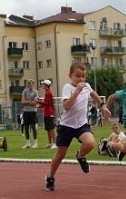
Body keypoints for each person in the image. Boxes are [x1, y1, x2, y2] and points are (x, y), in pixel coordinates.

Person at [44, 63, 103, 191]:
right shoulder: (67, 88)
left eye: (83, 76)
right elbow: (66, 106)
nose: (80, 79)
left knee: (90, 143)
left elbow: (93, 94)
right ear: (70, 76)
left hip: (81, 124)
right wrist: (76, 92)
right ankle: (50, 176)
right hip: (66, 126)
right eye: (77, 76)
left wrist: (103, 106)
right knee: (60, 155)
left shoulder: (86, 86)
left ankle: (80, 156)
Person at [21, 79, 39, 148]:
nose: (30, 85)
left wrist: (27, 102)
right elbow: (22, 102)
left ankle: (35, 143)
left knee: (33, 127)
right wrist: (30, 102)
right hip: (26, 111)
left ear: (33, 84)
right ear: (27, 85)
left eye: (31, 84)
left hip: (33, 112)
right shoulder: (25, 91)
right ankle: (27, 143)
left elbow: (35, 102)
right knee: (26, 127)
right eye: (29, 84)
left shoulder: (36, 92)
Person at [39, 79, 57, 149]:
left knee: (51, 128)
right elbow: (46, 104)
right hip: (47, 113)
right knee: (48, 129)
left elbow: (47, 103)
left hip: (49, 113)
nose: (42, 85)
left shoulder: (48, 93)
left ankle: (55, 143)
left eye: (43, 84)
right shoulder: (47, 92)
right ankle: (50, 143)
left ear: (46, 85)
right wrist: (40, 104)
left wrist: (38, 102)